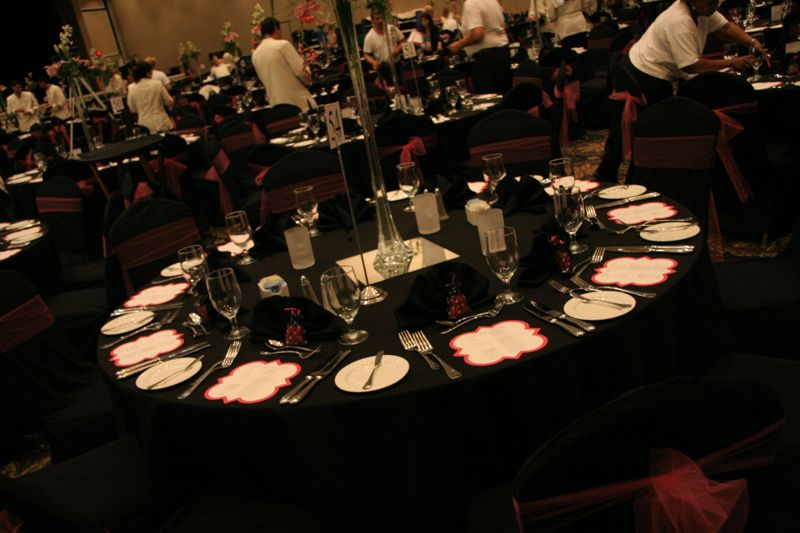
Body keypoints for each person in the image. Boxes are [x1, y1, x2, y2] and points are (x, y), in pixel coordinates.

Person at [595, 0, 763, 179]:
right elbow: (690, 66)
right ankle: (625, 174)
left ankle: (625, 172)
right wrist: (732, 62)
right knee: (649, 130)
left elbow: (726, 28)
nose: (715, 4)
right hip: (644, 72)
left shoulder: (704, 10)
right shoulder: (679, 20)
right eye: (710, 1)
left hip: (654, 71)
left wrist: (752, 41)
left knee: (651, 130)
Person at [252, 17, 316, 111]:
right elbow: (302, 72)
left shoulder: (255, 55)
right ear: (276, 29)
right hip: (297, 102)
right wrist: (310, 79)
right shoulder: (282, 45)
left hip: (276, 106)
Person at [448, 0, 511, 94]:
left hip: (487, 59)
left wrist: (459, 45)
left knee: (488, 100)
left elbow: (477, 33)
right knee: (503, 94)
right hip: (502, 52)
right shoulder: (493, 1)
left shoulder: (471, 3)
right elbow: (503, 25)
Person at [126, 61, 174, 133]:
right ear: (147, 72)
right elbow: (169, 101)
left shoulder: (131, 88)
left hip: (144, 124)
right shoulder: (157, 84)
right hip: (161, 121)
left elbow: (132, 109)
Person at [530, 0, 596, 48]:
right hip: (579, 21)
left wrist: (549, 18)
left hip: (565, 25)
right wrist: (590, 11)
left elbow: (551, 13)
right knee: (583, 50)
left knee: (570, 54)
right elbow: (587, 3)